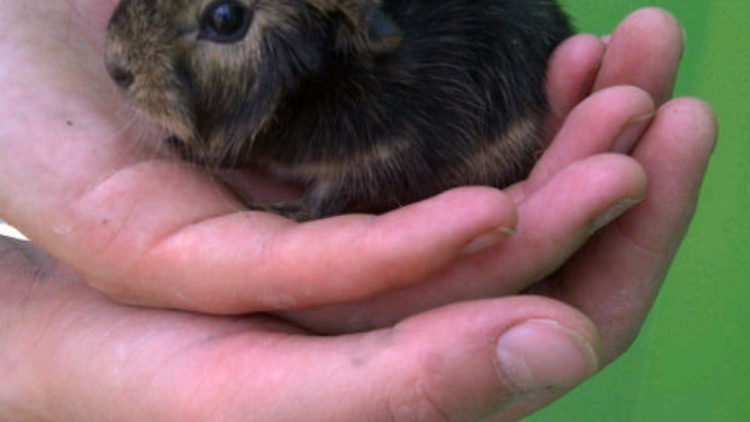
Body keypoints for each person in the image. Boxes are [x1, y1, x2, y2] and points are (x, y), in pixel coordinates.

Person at [0, 2, 716, 421]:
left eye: (223, 17)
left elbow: (392, 151)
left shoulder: (370, 111)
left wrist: (324, 204)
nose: (124, 58)